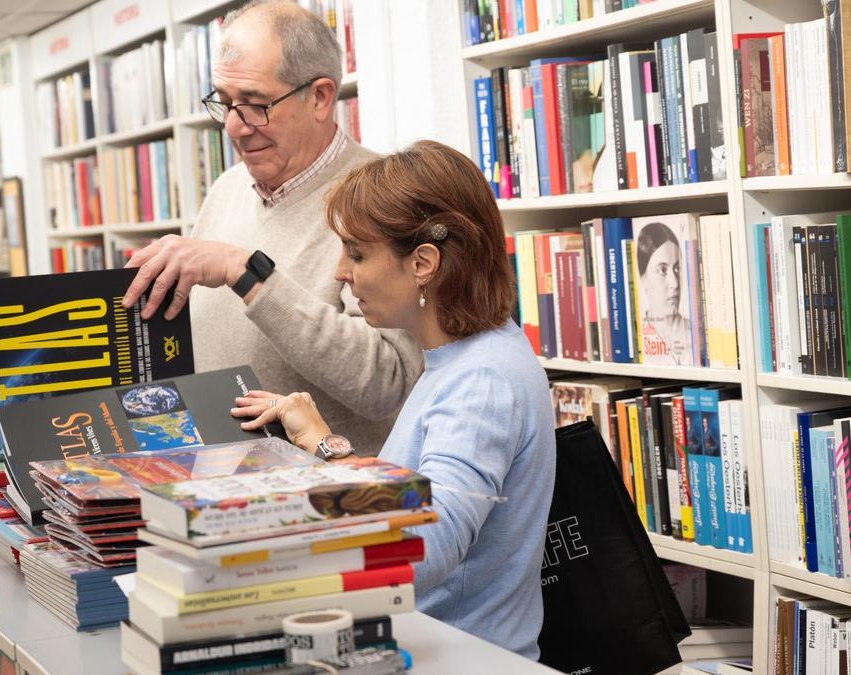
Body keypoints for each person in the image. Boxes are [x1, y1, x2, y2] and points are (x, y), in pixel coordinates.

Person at [231, 140, 556, 660]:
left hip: (460, 658)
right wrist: (322, 444)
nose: (341, 271)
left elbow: (427, 544)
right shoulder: (461, 357)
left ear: (424, 262)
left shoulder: (482, 379)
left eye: (357, 253)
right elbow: (416, 503)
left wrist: (278, 538)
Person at [121, 0, 422, 454]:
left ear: (320, 97)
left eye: (255, 105)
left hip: (325, 503)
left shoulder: (381, 196)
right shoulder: (227, 188)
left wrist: (247, 273)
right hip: (214, 488)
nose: (236, 129)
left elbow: (386, 382)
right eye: (224, 104)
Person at [636, 221, 691, 365]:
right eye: (662, 270)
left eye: (677, 268)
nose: (675, 283)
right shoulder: (635, 337)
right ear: (644, 278)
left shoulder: (697, 333)